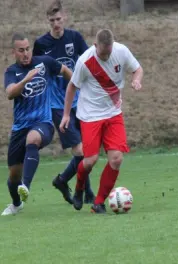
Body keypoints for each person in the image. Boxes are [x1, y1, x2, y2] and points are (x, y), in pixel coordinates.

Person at [60, 29, 144, 214]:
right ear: (95, 46)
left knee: (116, 159)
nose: (106, 57)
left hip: (113, 114)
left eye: (109, 53)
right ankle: (80, 187)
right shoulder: (85, 61)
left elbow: (137, 69)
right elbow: (72, 86)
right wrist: (66, 115)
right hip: (90, 115)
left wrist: (136, 80)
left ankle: (98, 203)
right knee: (90, 160)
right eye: (102, 53)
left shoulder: (121, 51)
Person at [1, 32, 72, 216]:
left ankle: (26, 186)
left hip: (43, 123)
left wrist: (77, 85)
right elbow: (10, 93)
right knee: (13, 176)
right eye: (21, 50)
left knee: (32, 139)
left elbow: (64, 70)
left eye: (27, 49)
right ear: (13, 52)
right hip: (19, 128)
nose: (26, 53)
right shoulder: (11, 72)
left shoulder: (45, 63)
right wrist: (25, 79)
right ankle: (17, 204)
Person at [33, 0, 95, 206]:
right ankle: (76, 187)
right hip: (57, 106)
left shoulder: (75, 38)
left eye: (58, 19)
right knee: (80, 151)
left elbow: (88, 62)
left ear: (65, 17)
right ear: (48, 21)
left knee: (87, 150)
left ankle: (75, 187)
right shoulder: (41, 44)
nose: (56, 24)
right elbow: (36, 74)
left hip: (81, 102)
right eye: (52, 21)